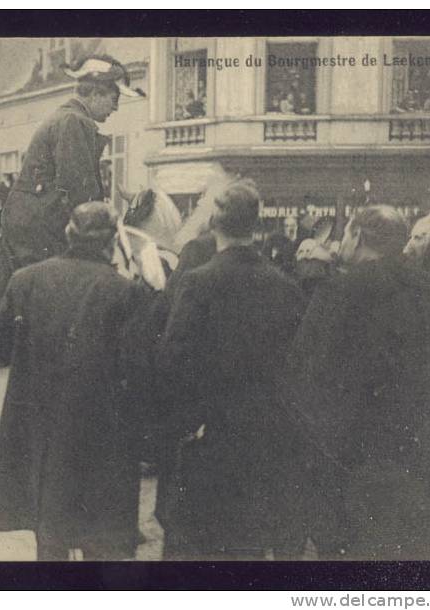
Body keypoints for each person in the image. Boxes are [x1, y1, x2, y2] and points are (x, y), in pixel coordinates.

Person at [0, 202, 153, 560]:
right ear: (110, 244)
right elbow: (140, 369)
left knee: (50, 538)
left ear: (68, 235)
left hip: (41, 432)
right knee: (101, 543)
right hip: (103, 438)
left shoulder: (25, 280)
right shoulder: (126, 292)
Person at [155, 178, 309, 560]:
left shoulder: (198, 282)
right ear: (255, 224)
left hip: (208, 433)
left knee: (195, 547)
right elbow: (296, 364)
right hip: (263, 434)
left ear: (213, 223)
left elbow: (172, 361)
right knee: (248, 545)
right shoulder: (285, 286)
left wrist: (180, 424)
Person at [284, 205, 430, 560]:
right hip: (418, 469)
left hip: (352, 470)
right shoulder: (429, 291)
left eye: (346, 233)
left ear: (358, 237)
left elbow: (306, 373)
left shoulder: (340, 291)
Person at [0, 55, 144, 270]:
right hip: (41, 224)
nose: (116, 108)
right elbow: (79, 190)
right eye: (114, 99)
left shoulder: (66, 117)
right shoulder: (74, 121)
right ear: (95, 94)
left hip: (28, 218)